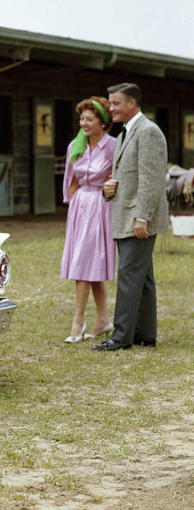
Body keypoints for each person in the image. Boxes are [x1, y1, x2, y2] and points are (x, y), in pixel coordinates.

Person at [93, 82, 169, 351]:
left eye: (116, 103)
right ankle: (144, 334)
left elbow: (151, 179)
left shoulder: (148, 132)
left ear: (132, 103)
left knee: (128, 276)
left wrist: (142, 217)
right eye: (110, 103)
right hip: (127, 216)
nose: (111, 108)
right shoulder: (126, 132)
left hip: (137, 219)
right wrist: (109, 189)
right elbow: (129, 177)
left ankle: (121, 337)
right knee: (142, 278)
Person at [60, 97, 116, 342]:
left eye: (89, 119)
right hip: (80, 207)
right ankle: (103, 319)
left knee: (84, 263)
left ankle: (78, 321)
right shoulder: (75, 146)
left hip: (102, 206)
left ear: (102, 122)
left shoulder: (113, 146)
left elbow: (119, 178)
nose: (83, 123)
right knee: (89, 263)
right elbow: (72, 181)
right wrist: (73, 211)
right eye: (82, 119)